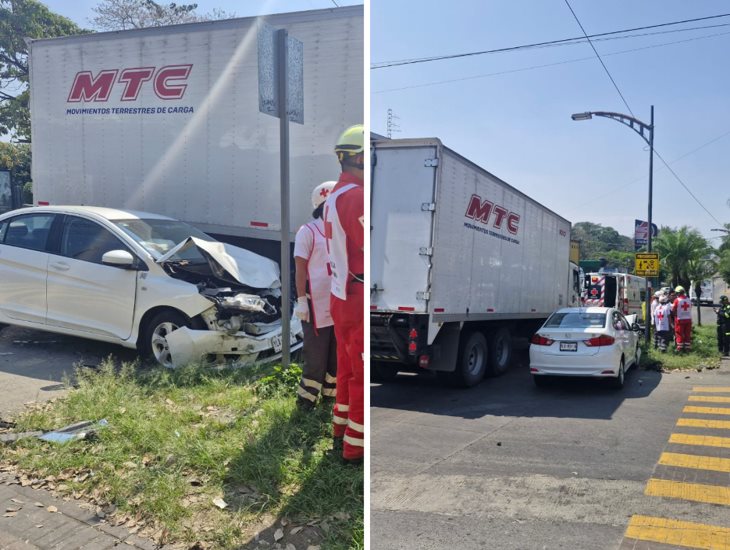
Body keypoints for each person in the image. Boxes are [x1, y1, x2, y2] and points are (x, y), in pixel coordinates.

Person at [323, 123, 364, 464]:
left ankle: (341, 428)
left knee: (348, 368)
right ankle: (357, 447)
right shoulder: (356, 197)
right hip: (358, 292)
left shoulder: (334, 195)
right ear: (361, 159)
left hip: (341, 293)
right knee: (361, 374)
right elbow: (369, 244)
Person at [293, 181, 338, 410]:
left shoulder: (338, 232)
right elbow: (300, 268)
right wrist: (301, 300)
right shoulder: (308, 231)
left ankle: (330, 398)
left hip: (335, 305)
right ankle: (306, 403)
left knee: (334, 357)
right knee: (316, 357)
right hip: (314, 306)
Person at [672, 286, 692, 352]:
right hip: (688, 319)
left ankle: (679, 349)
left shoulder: (677, 300)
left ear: (678, 293)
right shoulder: (688, 299)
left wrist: (674, 314)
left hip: (680, 320)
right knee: (687, 334)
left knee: (679, 334)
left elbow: (673, 310)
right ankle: (687, 348)